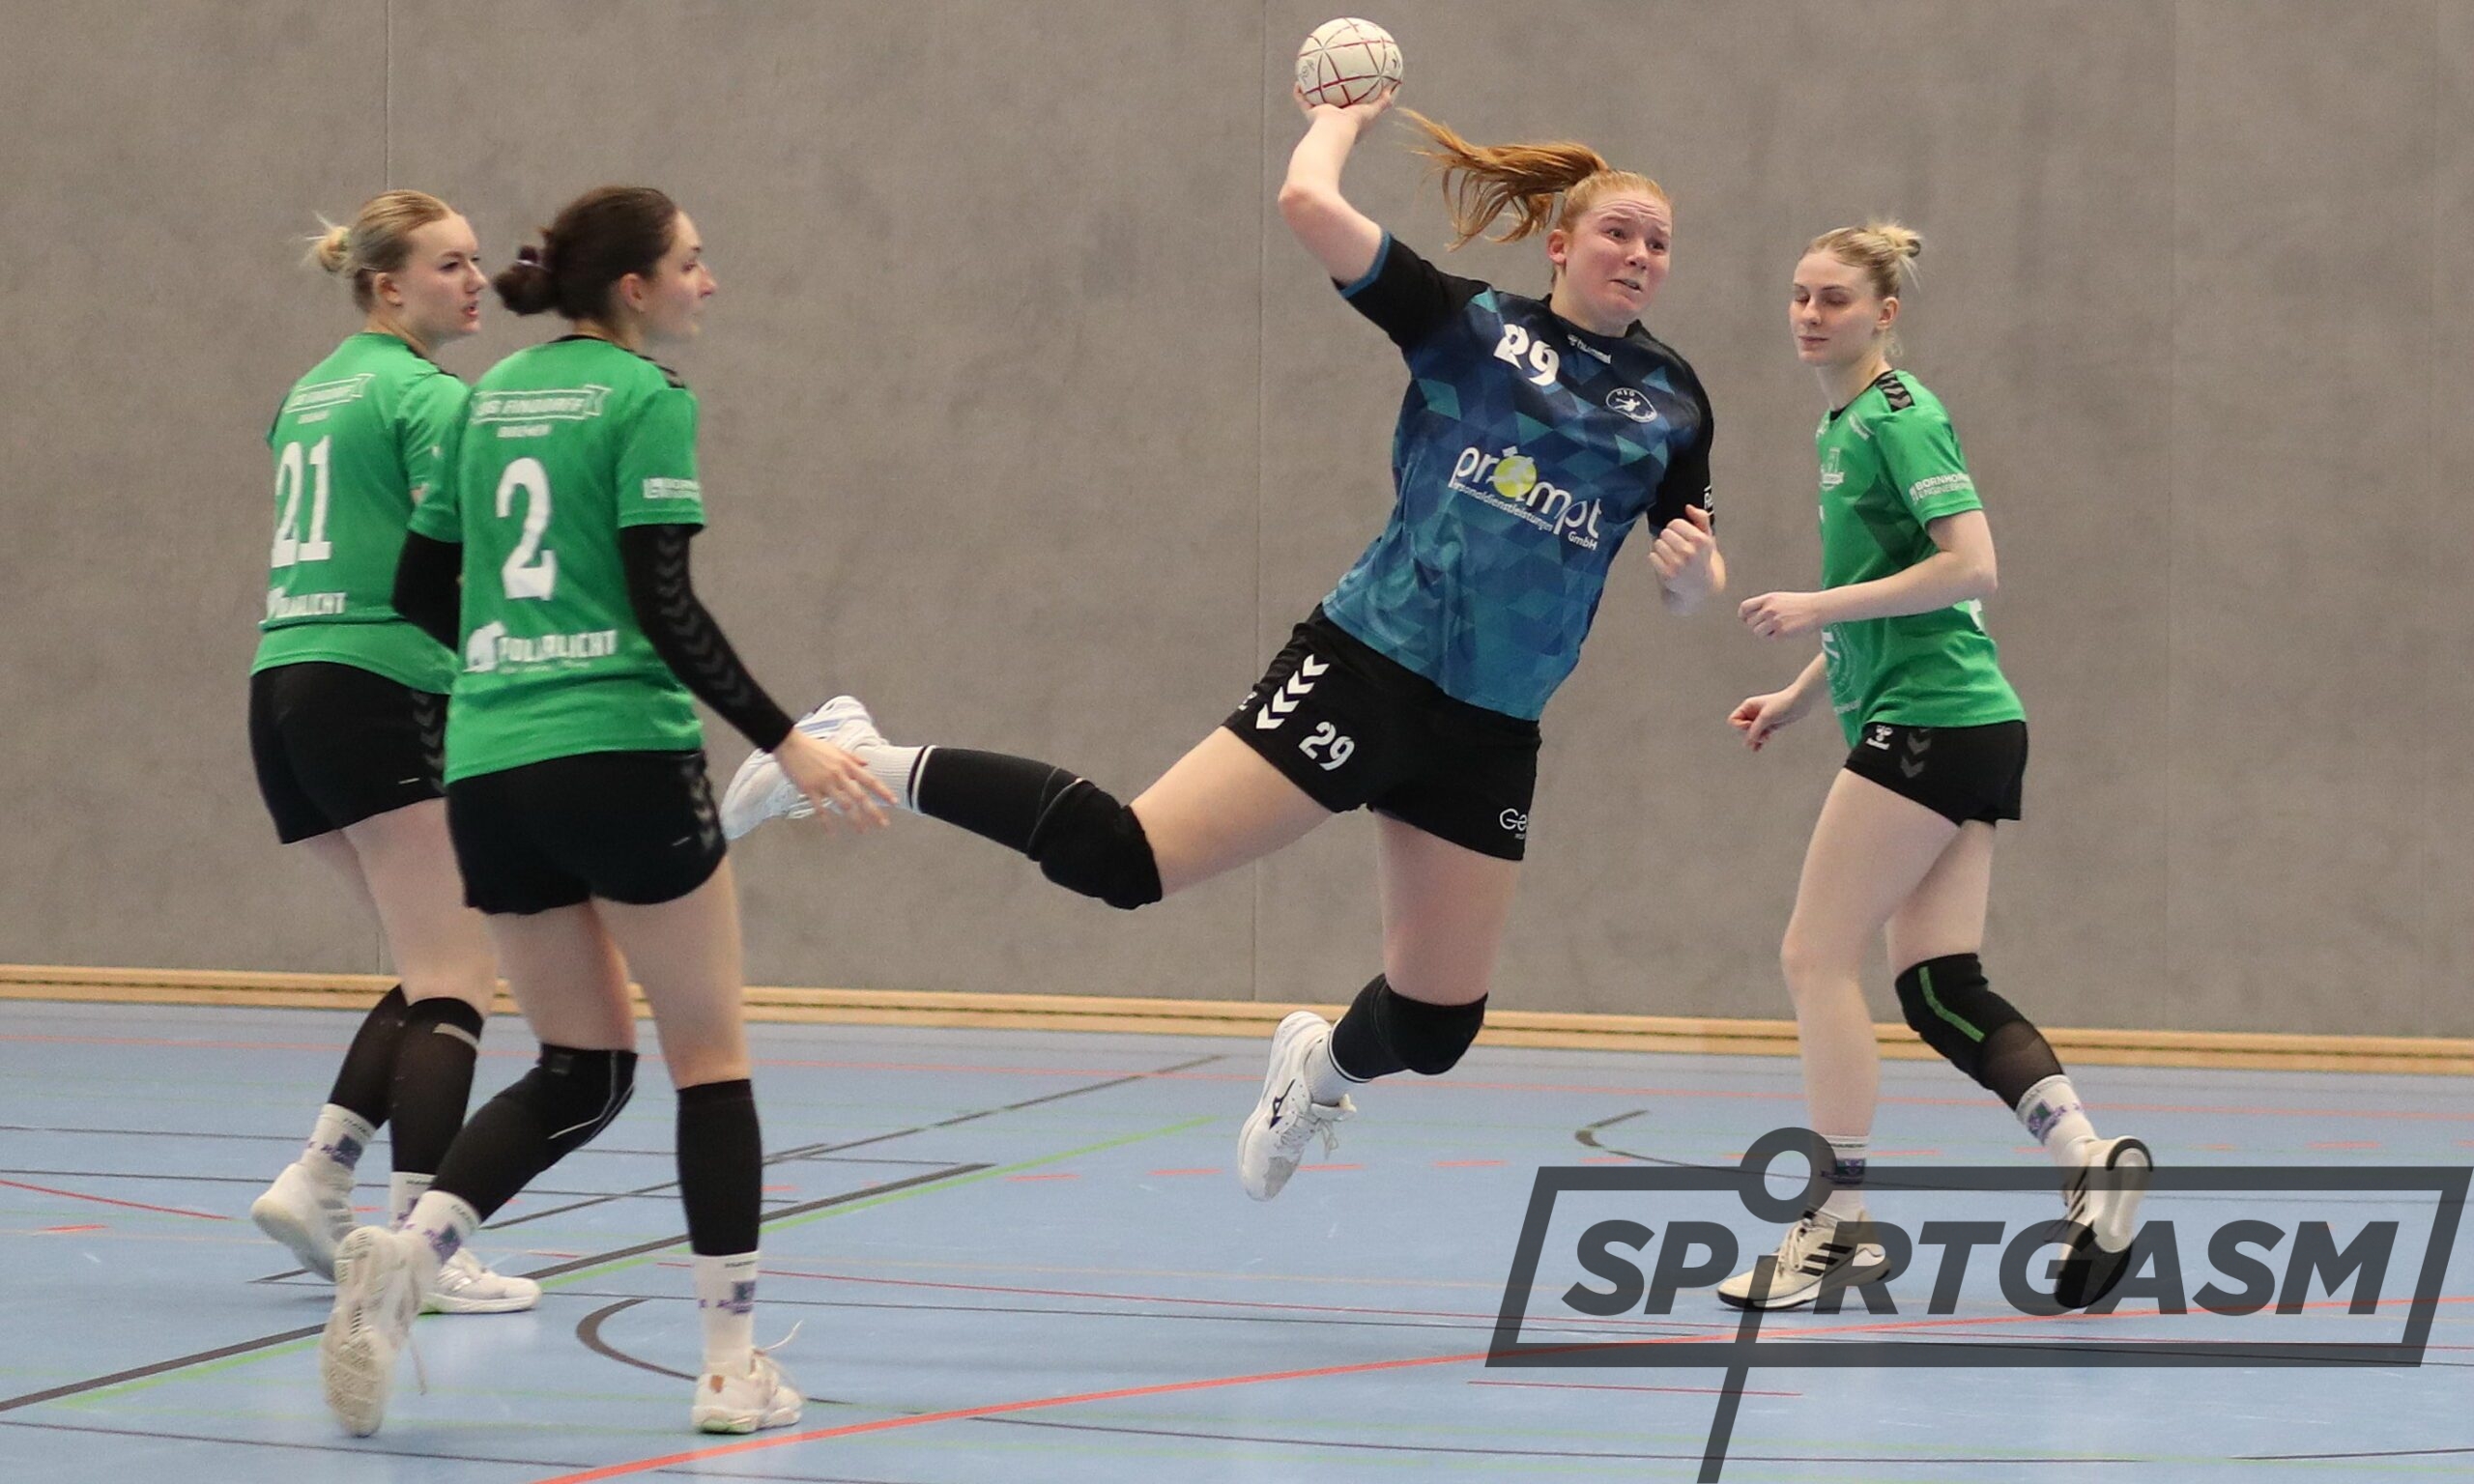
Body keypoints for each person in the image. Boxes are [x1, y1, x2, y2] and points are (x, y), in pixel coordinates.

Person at [724, 83, 1722, 1204]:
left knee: (1437, 1025)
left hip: (1492, 726)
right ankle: (860, 755)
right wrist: (1341, 117)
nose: (1641, 256)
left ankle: (1317, 1073)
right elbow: (1307, 204)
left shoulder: (1672, 401)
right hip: (1370, 665)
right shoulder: (1471, 328)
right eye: (1619, 233)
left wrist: (1691, 582)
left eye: (1659, 244)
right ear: (1560, 244)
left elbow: (1695, 566)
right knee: (1124, 859)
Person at [316, 186, 891, 1438]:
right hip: (621, 754)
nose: (709, 283)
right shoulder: (645, 399)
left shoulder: (487, 400)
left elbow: (418, 585)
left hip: (491, 763)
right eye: (692, 262)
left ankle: (407, 1257)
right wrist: (787, 742)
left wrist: (514, 657)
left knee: (580, 1071)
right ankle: (731, 1368)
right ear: (634, 288)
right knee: (709, 1062)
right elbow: (665, 606)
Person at [1720, 222, 2148, 1311]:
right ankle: (2086, 1158)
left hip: (1932, 722)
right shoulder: (1844, 422)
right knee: (1937, 984)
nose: (1809, 314)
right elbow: (1900, 580)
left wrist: (1814, 605)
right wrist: (1804, 689)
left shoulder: (1897, 418)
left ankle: (1835, 1227)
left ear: (1885, 314)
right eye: (1799, 294)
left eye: (1834, 299)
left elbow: (1971, 567)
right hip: (1963, 720)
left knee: (1814, 956)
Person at [246, 189, 535, 1316]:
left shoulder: (309, 391)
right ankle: (423, 1244)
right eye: (449, 264)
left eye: (475, 260)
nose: (475, 281)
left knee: (432, 960)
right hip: (377, 686)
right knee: (459, 976)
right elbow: (446, 569)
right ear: (386, 286)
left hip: (283, 688)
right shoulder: (429, 397)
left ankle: (320, 1178)